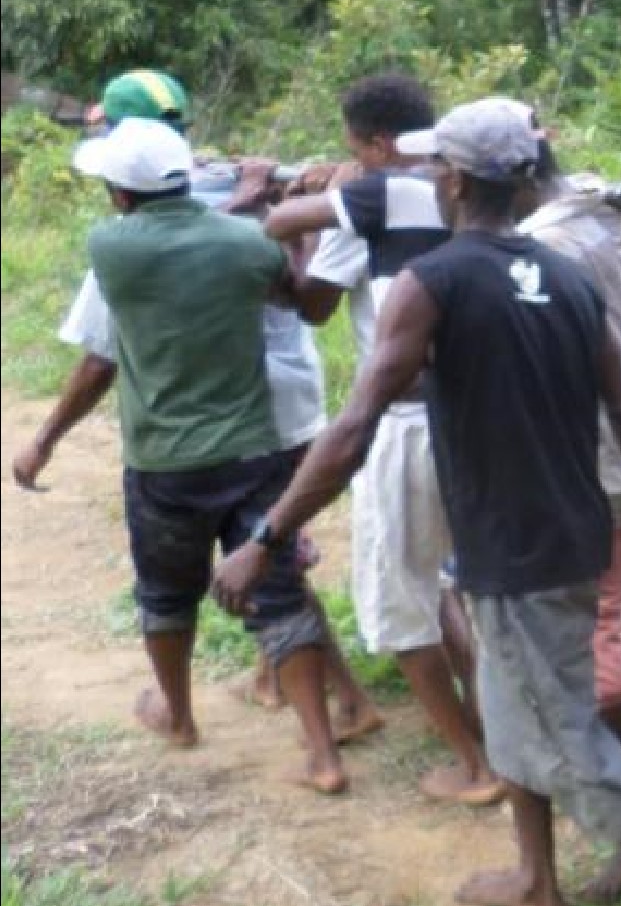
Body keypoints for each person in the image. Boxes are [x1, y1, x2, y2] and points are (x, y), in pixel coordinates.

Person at [213, 100, 621, 906]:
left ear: (458, 180)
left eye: (439, 169)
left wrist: (268, 535)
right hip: (568, 528)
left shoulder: (433, 282)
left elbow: (356, 423)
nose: (431, 178)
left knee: (564, 733)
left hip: (516, 545)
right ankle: (537, 880)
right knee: (516, 713)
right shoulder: (567, 273)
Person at [12, 72, 381, 737]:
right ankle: (306, 692)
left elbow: (102, 355)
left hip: (218, 429)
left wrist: (45, 438)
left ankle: (297, 695)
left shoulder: (130, 237)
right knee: (274, 563)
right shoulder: (247, 198)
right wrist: (273, 205)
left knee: (243, 572)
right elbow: (295, 286)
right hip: (286, 409)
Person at [58, 117, 350, 794]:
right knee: (278, 594)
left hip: (163, 460)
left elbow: (188, 240)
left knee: (165, 594)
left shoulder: (111, 247)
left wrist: (241, 197)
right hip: (253, 449)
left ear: (121, 195)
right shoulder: (247, 245)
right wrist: (267, 200)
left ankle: (179, 715)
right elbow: (292, 289)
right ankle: (322, 752)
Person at [263, 74, 500, 807]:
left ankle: (476, 765)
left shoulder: (376, 197)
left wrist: (307, 209)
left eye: (356, 149)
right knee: (457, 586)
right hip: (484, 412)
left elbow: (312, 305)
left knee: (398, 600)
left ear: (376, 144)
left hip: (403, 423)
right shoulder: (476, 189)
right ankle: (494, 735)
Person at [516, 125, 621, 901]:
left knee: (600, 627)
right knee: (602, 617)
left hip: (600, 453)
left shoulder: (546, 249)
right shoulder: (597, 208)